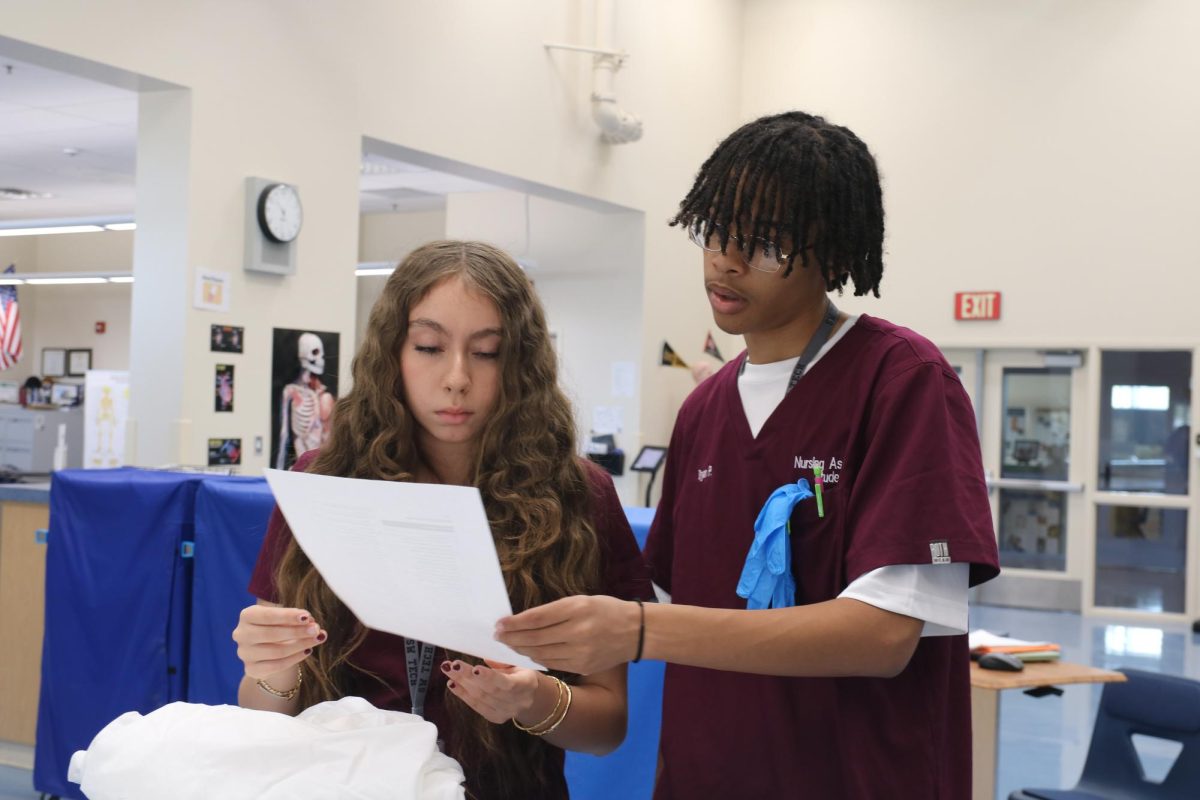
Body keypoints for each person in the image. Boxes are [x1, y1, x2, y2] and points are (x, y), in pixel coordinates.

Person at [497, 111, 1001, 798]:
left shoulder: (902, 380)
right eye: (716, 231)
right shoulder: (705, 411)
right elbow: (678, 598)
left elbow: (883, 637)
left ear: (834, 249)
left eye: (764, 243)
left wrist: (641, 629)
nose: (726, 261)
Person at [234, 241, 652, 800]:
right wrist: (271, 669)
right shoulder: (324, 481)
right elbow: (265, 710)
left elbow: (609, 728)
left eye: (487, 352)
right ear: (393, 353)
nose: (456, 378)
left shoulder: (579, 496)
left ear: (520, 363)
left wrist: (533, 700)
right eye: (429, 346)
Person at [274, 331, 335, 469]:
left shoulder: (325, 397)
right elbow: (283, 435)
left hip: (320, 466)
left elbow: (329, 437)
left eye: (322, 355)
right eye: (315, 353)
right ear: (304, 355)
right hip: (300, 464)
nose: (321, 360)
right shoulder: (291, 392)